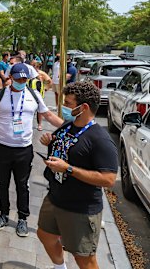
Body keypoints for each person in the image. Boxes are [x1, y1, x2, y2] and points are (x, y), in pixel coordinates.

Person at [37, 82, 118, 269]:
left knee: (84, 258)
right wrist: (49, 143)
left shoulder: (100, 140)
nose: (64, 106)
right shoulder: (67, 126)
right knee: (45, 235)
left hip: (80, 209)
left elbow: (109, 179)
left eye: (69, 103)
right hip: (55, 198)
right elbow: (66, 152)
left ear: (84, 107)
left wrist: (68, 169)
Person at [0, 63, 63, 238]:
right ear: (11, 77)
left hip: (24, 149)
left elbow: (49, 115)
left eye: (24, 78)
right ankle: (3, 214)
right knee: (2, 184)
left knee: (22, 185)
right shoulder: (0, 95)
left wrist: (68, 127)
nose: (21, 81)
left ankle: (22, 219)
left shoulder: (33, 95)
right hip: (2, 147)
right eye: (18, 78)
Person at [30, 60, 53, 131]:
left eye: (35, 65)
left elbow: (49, 81)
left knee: (40, 110)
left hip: (39, 93)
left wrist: (46, 88)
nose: (33, 67)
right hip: (30, 93)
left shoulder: (41, 73)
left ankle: (39, 124)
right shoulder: (29, 73)